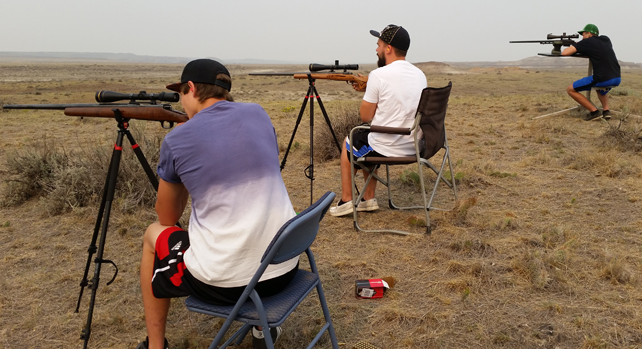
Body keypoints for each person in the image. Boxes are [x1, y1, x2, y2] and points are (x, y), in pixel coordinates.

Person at [137, 59, 298, 349]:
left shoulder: (178, 139)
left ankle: (156, 345)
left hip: (229, 284)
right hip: (284, 270)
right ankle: (263, 329)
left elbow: (168, 216)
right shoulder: (258, 113)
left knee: (153, 233)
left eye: (181, 94)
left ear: (190, 88)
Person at [330, 24, 428, 217]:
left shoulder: (378, 75)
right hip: (416, 144)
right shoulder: (419, 74)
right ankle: (368, 199)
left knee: (352, 140)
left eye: (379, 45)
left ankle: (347, 200)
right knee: (368, 138)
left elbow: (365, 117)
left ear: (388, 48)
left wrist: (370, 90)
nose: (376, 49)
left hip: (391, 145)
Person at [562, 23, 622, 121]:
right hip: (616, 77)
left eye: (584, 35)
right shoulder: (606, 39)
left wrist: (576, 45)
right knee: (600, 88)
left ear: (589, 34)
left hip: (602, 78)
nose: (582, 38)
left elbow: (565, 53)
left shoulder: (587, 42)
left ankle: (594, 112)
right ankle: (606, 111)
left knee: (570, 89)